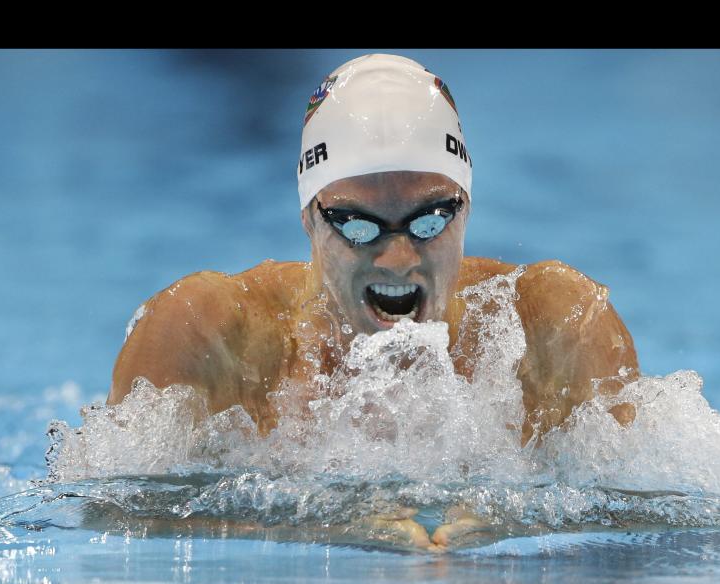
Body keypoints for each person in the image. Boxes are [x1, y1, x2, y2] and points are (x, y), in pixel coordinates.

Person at [107, 53, 639, 549]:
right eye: (358, 226)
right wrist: (320, 528)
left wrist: (521, 525)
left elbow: (647, 516)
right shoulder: (207, 334)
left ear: (467, 209)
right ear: (310, 220)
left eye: (430, 219)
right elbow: (109, 513)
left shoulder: (555, 327)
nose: (397, 258)